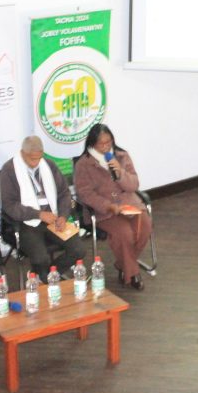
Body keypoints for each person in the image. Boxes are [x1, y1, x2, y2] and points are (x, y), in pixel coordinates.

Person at [74, 123, 151, 290]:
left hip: (129, 203)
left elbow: (133, 185)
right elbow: (85, 194)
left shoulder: (122, 156)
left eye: (108, 142)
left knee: (145, 228)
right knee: (124, 234)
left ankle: (123, 265)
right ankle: (132, 274)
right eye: (101, 143)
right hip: (104, 211)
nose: (106, 146)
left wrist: (120, 172)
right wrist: (108, 206)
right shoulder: (83, 164)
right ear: (92, 143)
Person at [0, 136, 85, 282]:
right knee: (40, 259)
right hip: (26, 223)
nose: (36, 163)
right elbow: (9, 205)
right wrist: (38, 214)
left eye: (39, 158)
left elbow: (64, 193)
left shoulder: (49, 165)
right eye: (32, 159)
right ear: (23, 153)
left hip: (54, 218)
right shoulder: (9, 170)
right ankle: (46, 277)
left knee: (78, 250)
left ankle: (47, 276)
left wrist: (63, 216)